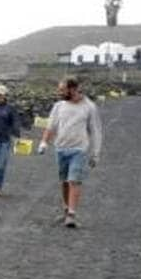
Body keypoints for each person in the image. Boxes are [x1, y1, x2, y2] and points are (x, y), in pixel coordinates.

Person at [38, 78, 102, 228]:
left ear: (73, 89)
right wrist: (44, 142)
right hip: (61, 148)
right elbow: (51, 126)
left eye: (62, 90)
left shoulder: (89, 107)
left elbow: (96, 131)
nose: (59, 92)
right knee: (64, 181)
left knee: (74, 180)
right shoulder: (58, 106)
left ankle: (72, 214)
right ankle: (66, 209)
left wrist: (96, 153)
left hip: (79, 149)